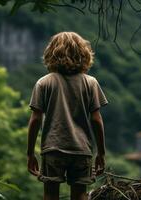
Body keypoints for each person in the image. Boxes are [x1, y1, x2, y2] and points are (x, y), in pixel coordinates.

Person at [27, 31, 108, 200]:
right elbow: (96, 120)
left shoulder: (44, 83)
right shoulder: (90, 83)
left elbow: (35, 120)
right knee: (80, 194)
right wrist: (101, 153)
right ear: (83, 53)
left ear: (52, 53)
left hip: (53, 149)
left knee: (50, 194)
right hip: (81, 150)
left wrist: (30, 153)